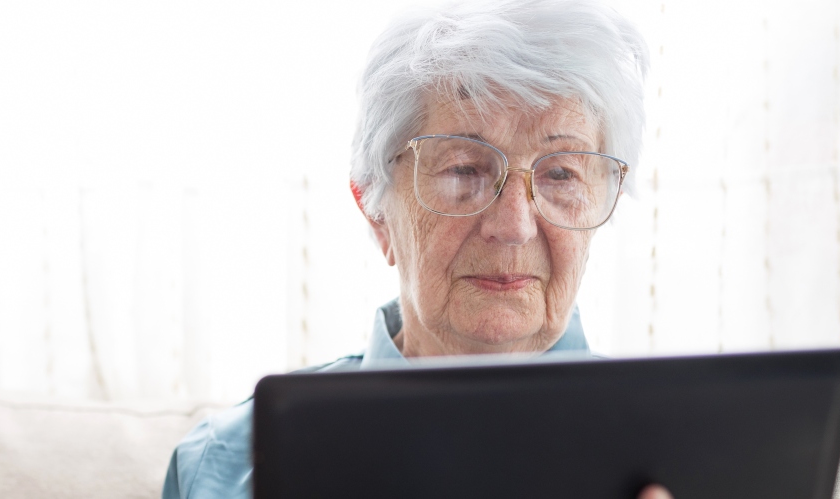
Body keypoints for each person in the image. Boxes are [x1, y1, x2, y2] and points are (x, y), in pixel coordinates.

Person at [162, 0, 668, 497]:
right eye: (464, 170)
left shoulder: (678, 450)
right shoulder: (220, 469)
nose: (514, 226)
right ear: (377, 211)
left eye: (560, 174)